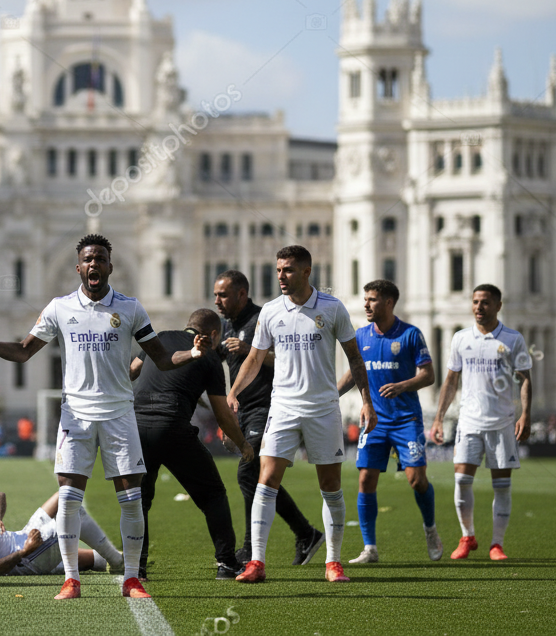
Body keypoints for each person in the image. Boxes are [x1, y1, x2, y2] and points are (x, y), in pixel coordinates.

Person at [0, 234, 202, 600]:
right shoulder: (59, 308)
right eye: (88, 259)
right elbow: (25, 351)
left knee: (131, 499)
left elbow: (160, 358)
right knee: (68, 499)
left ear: (110, 266)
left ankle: (131, 579)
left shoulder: (130, 308)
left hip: (119, 415)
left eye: (101, 259)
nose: (94, 264)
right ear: (78, 267)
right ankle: (71, 580)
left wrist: (193, 354)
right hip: (75, 418)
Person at [228, 245, 376, 585]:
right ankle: (257, 562)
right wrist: (233, 392)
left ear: (307, 272)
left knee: (330, 485)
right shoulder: (270, 311)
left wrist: (367, 402)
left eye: (289, 270)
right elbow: (254, 358)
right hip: (283, 407)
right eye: (279, 269)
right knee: (266, 479)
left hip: (323, 408)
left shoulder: (332, 308)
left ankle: (333, 562)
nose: (281, 275)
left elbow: (354, 358)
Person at [130, 308, 254, 580]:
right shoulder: (209, 356)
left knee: (139, 501)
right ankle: (227, 563)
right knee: (213, 495)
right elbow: (222, 414)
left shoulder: (161, 337)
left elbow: (131, 371)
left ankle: (136, 568)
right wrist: (243, 444)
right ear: (213, 334)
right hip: (172, 427)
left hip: (136, 426)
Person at [213, 270, 325, 567]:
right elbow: (216, 361)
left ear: (241, 294)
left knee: (248, 473)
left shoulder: (265, 318)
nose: (217, 301)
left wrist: (253, 351)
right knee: (262, 477)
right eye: (215, 296)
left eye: (222, 295)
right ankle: (306, 534)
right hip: (244, 411)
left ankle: (252, 549)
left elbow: (288, 359)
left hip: (269, 408)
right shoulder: (228, 325)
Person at [337, 280, 442, 564]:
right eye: (365, 299)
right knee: (365, 478)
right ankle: (369, 548)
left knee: (416, 480)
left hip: (406, 419)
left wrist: (402, 386)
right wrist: (331, 395)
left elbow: (428, 375)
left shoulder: (410, 334)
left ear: (388, 302)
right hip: (374, 420)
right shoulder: (360, 335)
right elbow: (354, 373)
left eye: (372, 299)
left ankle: (430, 529)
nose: (366, 304)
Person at [430, 284, 531, 562]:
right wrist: (439, 418)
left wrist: (525, 414)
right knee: (462, 480)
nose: (478, 307)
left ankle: (496, 544)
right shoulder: (461, 338)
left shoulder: (513, 339)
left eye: (485, 302)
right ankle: (467, 536)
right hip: (469, 422)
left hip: (502, 423)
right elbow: (451, 380)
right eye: (475, 302)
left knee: (502, 485)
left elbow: (525, 379)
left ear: (498, 305)